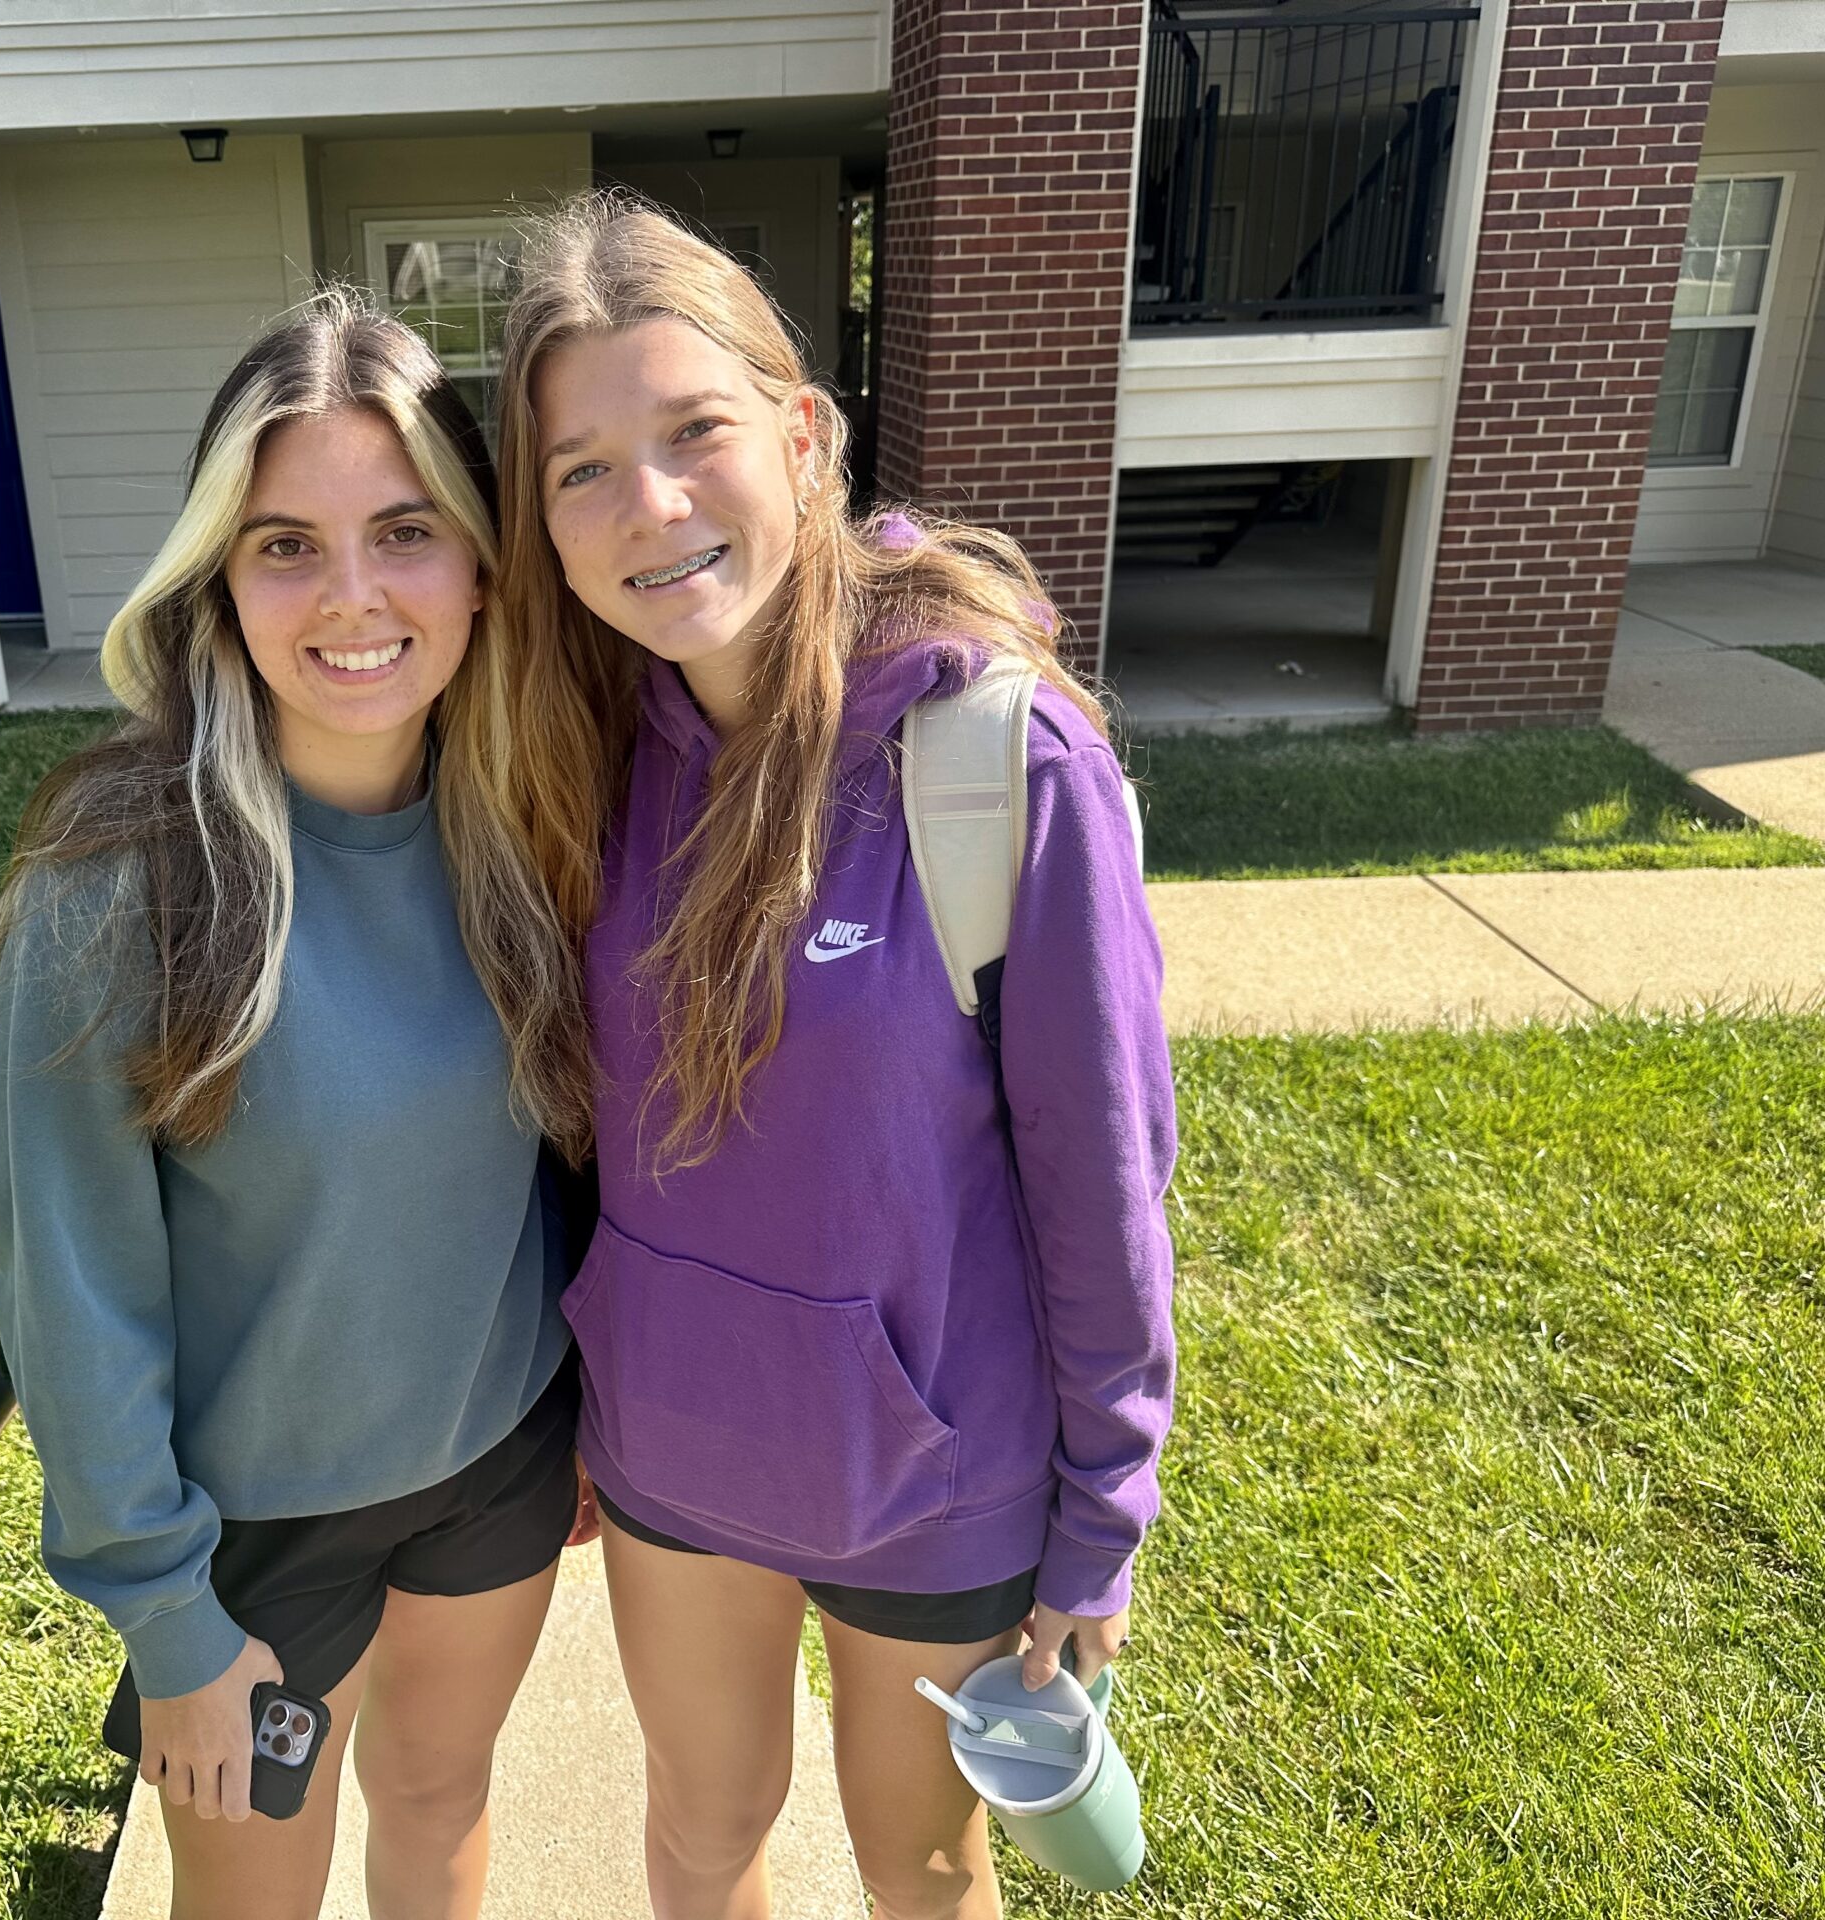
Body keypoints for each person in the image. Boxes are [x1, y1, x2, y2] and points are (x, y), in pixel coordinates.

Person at [491, 195, 1178, 1920]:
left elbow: (1104, 1173)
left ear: (799, 437)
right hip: (675, 1457)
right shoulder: (582, 758)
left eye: (693, 430)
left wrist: (1104, 1507)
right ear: (548, 527)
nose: (648, 503)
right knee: (702, 1835)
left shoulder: (991, 758)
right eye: (582, 468)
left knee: (921, 1868)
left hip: (939, 1474)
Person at [0, 289, 597, 1920]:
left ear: (475, 566)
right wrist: (169, 1620)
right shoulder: (119, 886)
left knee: (442, 1814)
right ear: (218, 583)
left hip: (500, 1461)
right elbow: (70, 1296)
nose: (355, 597)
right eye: (285, 546)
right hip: (249, 1540)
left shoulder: (523, 821)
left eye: (404, 532)